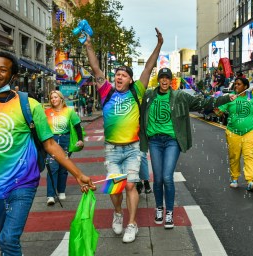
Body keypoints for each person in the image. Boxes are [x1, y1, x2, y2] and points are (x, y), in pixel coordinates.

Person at [0, 51, 95, 255]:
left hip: (23, 183)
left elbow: (50, 145)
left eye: (3, 70)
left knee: (8, 238)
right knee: (5, 239)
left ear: (13, 76)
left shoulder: (30, 105)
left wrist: (78, 174)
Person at [84, 28, 163, 243]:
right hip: (111, 149)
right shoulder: (106, 90)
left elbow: (148, 67)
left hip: (132, 148)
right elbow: (95, 67)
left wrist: (159, 45)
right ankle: (118, 212)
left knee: (129, 185)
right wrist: (89, 44)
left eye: (123, 75)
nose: (119, 77)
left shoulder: (137, 91)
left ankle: (132, 223)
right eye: (117, 74)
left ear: (130, 80)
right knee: (114, 188)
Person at [139, 67, 236, 229]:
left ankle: (169, 212)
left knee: (167, 177)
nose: (164, 80)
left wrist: (224, 99)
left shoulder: (180, 96)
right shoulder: (149, 95)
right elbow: (135, 103)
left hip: (172, 141)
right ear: (158, 80)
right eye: (161, 78)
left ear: (171, 81)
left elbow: (203, 103)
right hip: (154, 141)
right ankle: (159, 207)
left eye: (167, 78)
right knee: (158, 177)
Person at [216, 77, 253, 191]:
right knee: (234, 156)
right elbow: (219, 112)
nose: (236, 86)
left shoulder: (252, 98)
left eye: (239, 84)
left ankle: (250, 181)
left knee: (249, 155)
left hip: (250, 131)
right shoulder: (230, 97)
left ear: (245, 87)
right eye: (235, 84)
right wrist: (216, 107)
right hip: (233, 132)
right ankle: (234, 178)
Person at [45, 90, 84, 205]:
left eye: (56, 97)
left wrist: (80, 140)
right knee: (52, 168)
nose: (53, 100)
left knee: (63, 167)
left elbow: (77, 126)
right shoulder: (46, 112)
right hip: (51, 141)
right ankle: (50, 195)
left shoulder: (69, 111)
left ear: (61, 99)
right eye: (52, 98)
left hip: (65, 140)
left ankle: (61, 190)